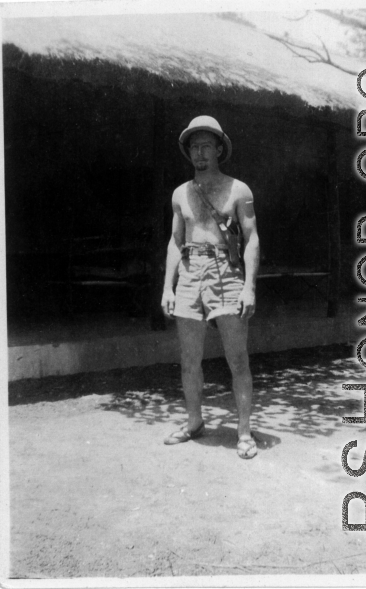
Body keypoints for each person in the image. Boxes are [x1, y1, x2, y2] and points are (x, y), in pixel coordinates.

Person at [160, 115, 260, 459]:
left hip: (225, 273)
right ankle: (194, 421)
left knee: (237, 358)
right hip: (190, 272)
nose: (199, 153)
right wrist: (167, 287)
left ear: (219, 148)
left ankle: (244, 433)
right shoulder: (180, 194)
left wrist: (248, 287)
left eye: (206, 146)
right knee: (189, 359)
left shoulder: (238, 190)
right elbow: (175, 242)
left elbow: (251, 239)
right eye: (193, 147)